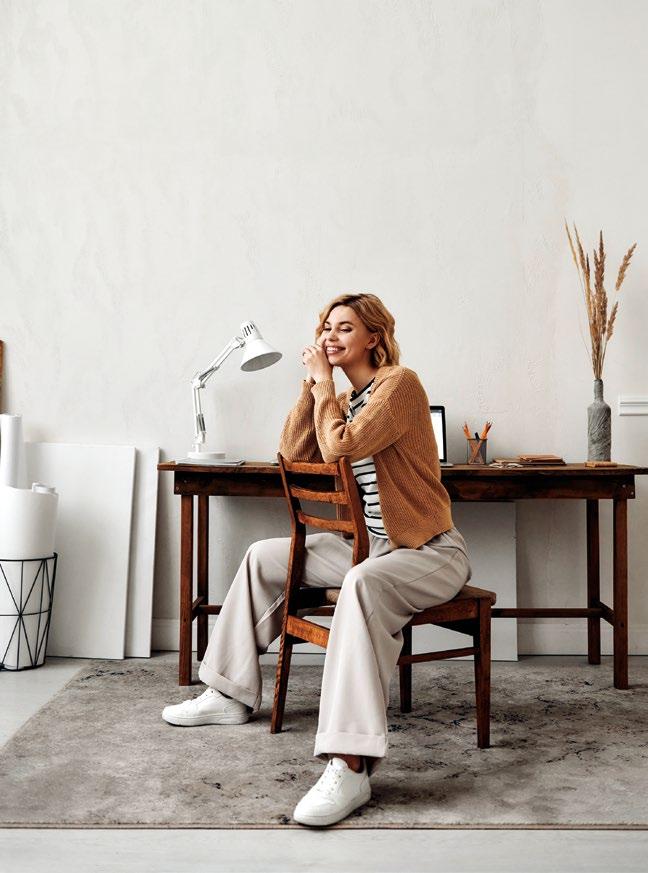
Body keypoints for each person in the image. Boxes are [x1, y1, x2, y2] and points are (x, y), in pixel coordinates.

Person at [162, 292, 472, 827]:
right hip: (370, 547)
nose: (330, 336)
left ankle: (350, 764)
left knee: (362, 585)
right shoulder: (344, 399)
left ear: (373, 337)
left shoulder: (399, 384)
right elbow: (294, 452)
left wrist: (325, 387)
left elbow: (340, 448)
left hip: (429, 550)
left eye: (344, 328)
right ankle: (229, 692)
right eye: (326, 327)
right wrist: (311, 389)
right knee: (264, 557)